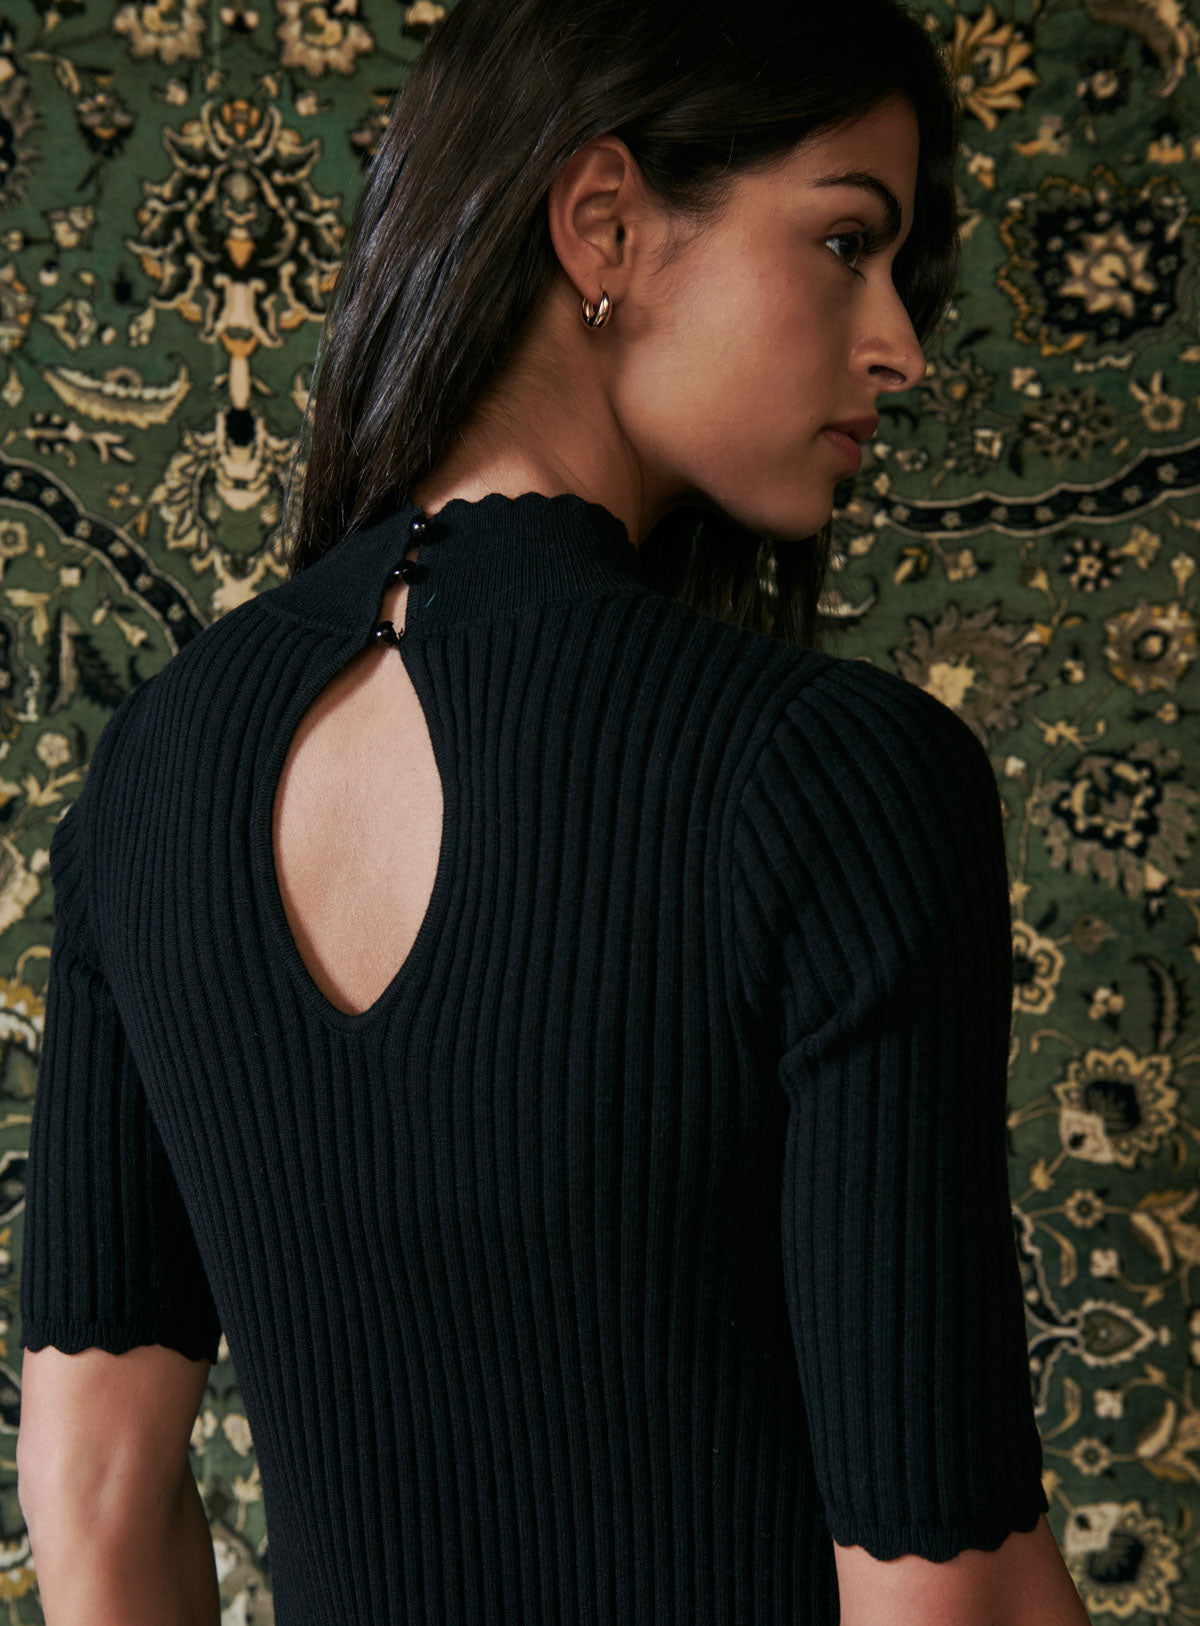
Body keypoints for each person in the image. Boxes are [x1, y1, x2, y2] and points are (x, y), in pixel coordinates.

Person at [15, 0, 1093, 1622]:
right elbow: (955, 1594)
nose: (899, 347)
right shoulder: (831, 773)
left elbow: (92, 1504)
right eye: (845, 242)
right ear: (603, 224)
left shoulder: (154, 762)